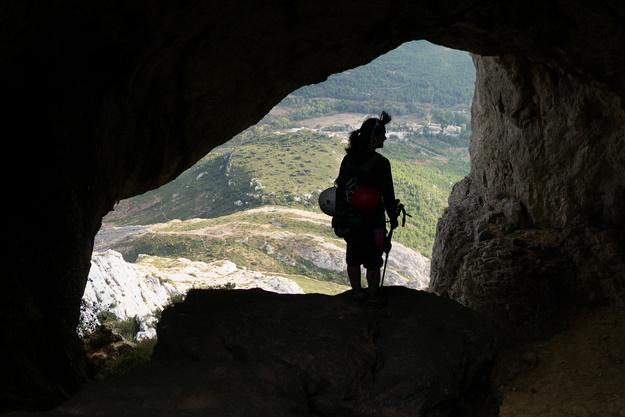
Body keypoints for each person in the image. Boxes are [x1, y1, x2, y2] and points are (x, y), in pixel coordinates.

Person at [335, 111, 398, 307]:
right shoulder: (380, 163)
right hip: (372, 220)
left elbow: (341, 186)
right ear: (374, 138)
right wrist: (393, 217)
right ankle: (373, 297)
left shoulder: (348, 159)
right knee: (373, 259)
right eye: (382, 134)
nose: (385, 138)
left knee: (353, 257)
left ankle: (357, 293)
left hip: (350, 218)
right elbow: (387, 194)